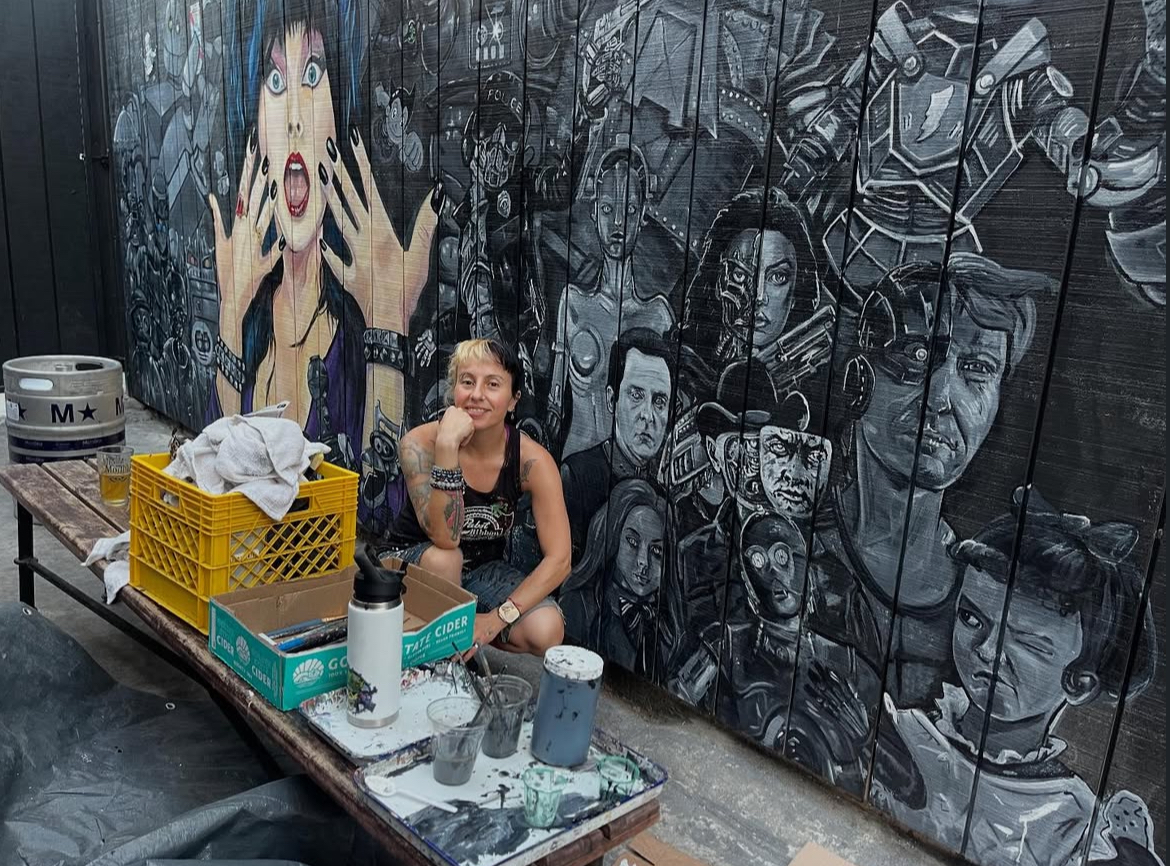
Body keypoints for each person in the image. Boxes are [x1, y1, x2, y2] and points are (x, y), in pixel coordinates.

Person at [208, 0, 436, 488]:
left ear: (340, 112)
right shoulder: (250, 311)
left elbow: (380, 505)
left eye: (313, 74)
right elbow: (212, 478)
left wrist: (386, 324)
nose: (293, 118)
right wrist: (231, 315)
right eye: (275, 82)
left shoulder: (353, 324)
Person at [870, 488, 1161, 866]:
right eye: (971, 618)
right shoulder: (903, 732)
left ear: (1079, 682)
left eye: (1027, 642)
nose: (987, 650)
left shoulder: (1072, 825)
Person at [383, 338, 571, 658]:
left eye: (493, 384)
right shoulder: (420, 443)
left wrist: (495, 620)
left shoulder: (531, 462)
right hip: (411, 565)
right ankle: (433, 659)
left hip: (481, 573)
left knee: (547, 628)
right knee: (447, 559)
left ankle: (462, 640)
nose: (477, 394)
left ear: (513, 400)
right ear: (454, 390)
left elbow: (560, 560)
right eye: (467, 381)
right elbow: (447, 537)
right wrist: (446, 448)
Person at [559, 328, 674, 561]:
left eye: (659, 401)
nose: (648, 416)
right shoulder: (577, 477)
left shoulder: (662, 496)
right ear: (612, 399)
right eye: (636, 395)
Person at [559, 479, 669, 677]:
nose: (643, 562)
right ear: (613, 537)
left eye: (657, 550)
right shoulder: (581, 604)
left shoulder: (666, 627)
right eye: (633, 542)